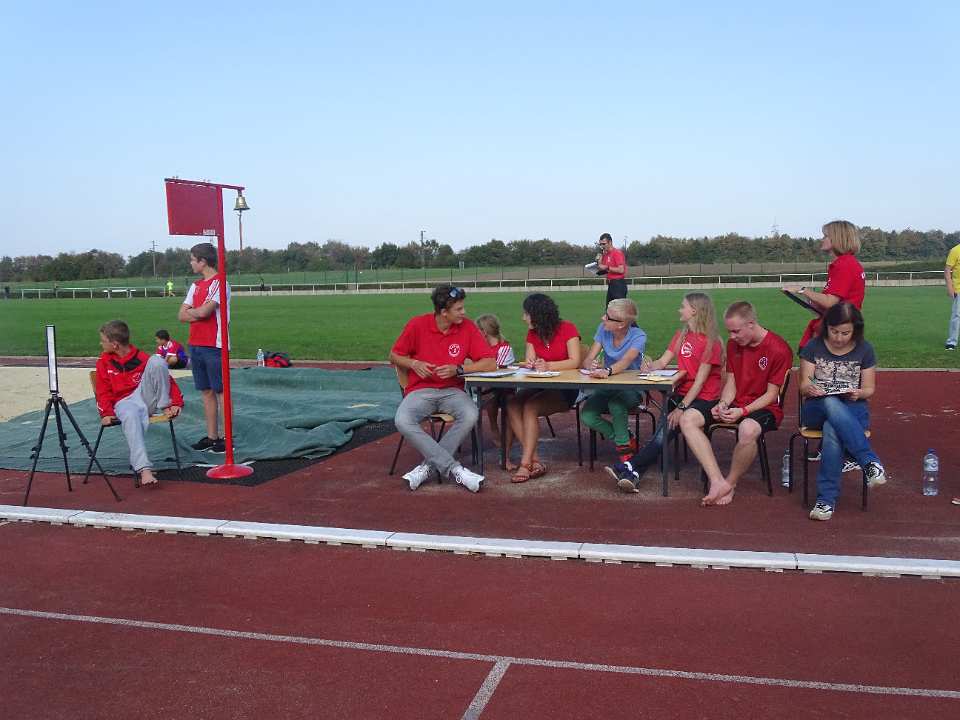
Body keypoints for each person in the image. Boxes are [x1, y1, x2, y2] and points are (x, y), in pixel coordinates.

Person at [606, 292, 724, 492]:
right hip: (680, 394)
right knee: (661, 436)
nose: (679, 310)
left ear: (694, 311)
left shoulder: (711, 342)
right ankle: (633, 473)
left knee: (662, 436)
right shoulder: (682, 335)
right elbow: (662, 362)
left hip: (703, 399)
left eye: (683, 306)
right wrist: (649, 366)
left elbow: (700, 383)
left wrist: (681, 408)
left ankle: (629, 467)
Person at [681, 301, 792, 506]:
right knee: (688, 419)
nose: (731, 337)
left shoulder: (779, 349)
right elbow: (731, 383)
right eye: (729, 331)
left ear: (751, 324)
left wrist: (743, 411)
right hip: (737, 404)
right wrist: (723, 403)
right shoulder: (734, 345)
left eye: (736, 331)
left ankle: (729, 484)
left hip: (764, 407)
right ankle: (716, 481)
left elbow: (771, 395)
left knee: (748, 429)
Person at [390, 285, 496, 492]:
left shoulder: (467, 327)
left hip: (453, 391)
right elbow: (394, 355)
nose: (464, 312)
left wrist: (459, 369)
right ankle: (455, 470)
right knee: (402, 420)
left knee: (471, 414)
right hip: (420, 391)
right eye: (459, 309)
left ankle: (427, 467)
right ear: (443, 312)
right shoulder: (417, 324)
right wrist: (414, 364)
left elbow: (490, 363)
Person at [799, 303, 886, 520]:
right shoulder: (813, 346)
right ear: (826, 327)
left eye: (845, 333)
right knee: (830, 402)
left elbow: (869, 389)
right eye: (834, 331)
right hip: (817, 408)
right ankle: (868, 461)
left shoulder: (865, 349)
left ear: (855, 330)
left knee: (832, 428)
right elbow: (804, 385)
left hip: (852, 407)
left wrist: (859, 393)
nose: (839, 338)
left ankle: (825, 501)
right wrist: (810, 388)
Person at [94, 320, 184, 487]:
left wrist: (176, 402)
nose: (101, 344)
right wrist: (106, 413)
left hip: (145, 398)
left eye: (103, 341)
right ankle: (144, 469)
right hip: (124, 403)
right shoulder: (103, 362)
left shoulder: (141, 357)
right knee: (130, 415)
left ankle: (165, 405)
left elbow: (166, 379)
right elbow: (102, 392)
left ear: (115, 344)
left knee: (157, 361)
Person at [505, 293, 581, 483]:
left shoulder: (568, 328)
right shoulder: (532, 333)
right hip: (540, 384)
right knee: (512, 404)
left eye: (526, 314)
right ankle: (535, 459)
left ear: (538, 314)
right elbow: (530, 359)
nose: (523, 318)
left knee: (531, 406)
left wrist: (549, 365)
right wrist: (531, 363)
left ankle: (525, 463)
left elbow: (575, 361)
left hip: (565, 388)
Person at [177, 242, 230, 453]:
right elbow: (181, 315)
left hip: (214, 345)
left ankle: (226, 437)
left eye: (192, 259)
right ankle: (212, 436)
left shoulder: (220, 282)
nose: (190, 263)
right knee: (206, 392)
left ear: (203, 261)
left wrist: (195, 312)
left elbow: (205, 312)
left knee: (221, 391)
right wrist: (196, 313)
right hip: (196, 344)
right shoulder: (196, 285)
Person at [580, 298, 647, 461]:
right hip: (607, 386)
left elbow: (626, 361)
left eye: (608, 317)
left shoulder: (639, 336)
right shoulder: (603, 329)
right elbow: (588, 359)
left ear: (621, 324)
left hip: (632, 388)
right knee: (588, 415)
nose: (603, 318)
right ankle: (626, 439)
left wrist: (607, 371)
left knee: (616, 404)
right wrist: (591, 365)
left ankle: (625, 454)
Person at [784, 220, 866, 350]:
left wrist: (802, 290)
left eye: (825, 236)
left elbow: (830, 302)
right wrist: (809, 301)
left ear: (837, 239)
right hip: (841, 325)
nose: (822, 239)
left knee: (811, 358)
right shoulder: (847, 263)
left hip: (838, 328)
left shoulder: (844, 265)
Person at [473, 314, 516, 444]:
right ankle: (494, 427)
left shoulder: (504, 348)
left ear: (484, 332)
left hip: (505, 387)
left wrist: (480, 365)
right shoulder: (480, 348)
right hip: (487, 388)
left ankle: (510, 431)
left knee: (509, 400)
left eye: (477, 331)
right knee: (490, 396)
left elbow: (496, 368)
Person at [597, 233, 628, 306]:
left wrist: (607, 267)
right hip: (611, 285)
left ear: (610, 242)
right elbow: (603, 270)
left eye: (604, 244)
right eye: (600, 244)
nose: (602, 246)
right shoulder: (605, 255)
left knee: (619, 310)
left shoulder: (617, 253)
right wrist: (598, 262)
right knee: (609, 310)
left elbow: (621, 270)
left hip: (618, 285)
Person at [944, 240, 960, 350]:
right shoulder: (955, 250)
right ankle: (952, 341)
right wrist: (950, 287)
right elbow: (947, 270)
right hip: (958, 289)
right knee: (957, 316)